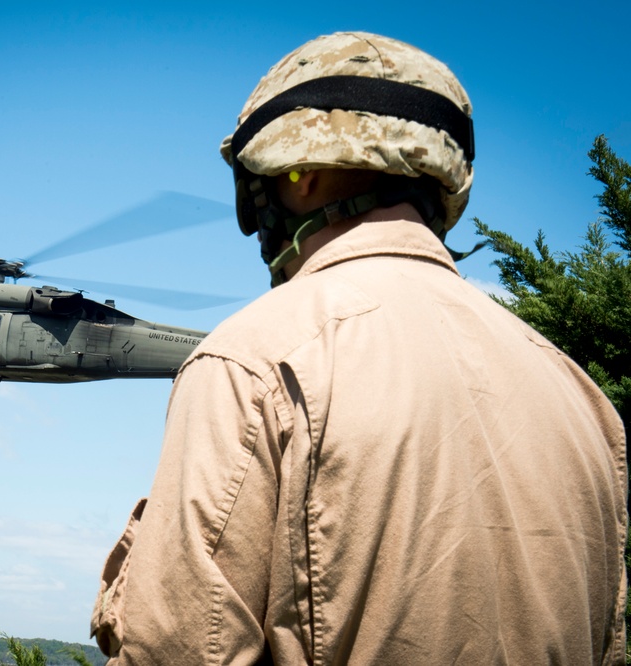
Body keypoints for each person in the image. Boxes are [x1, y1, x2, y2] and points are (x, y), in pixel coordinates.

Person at [90, 32, 628, 664]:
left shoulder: (252, 361)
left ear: (304, 173)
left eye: (261, 181)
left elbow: (176, 651)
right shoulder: (581, 399)